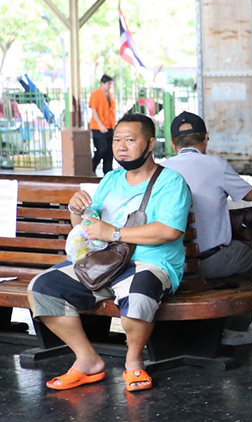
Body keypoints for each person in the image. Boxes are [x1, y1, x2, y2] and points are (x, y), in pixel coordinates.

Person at [27, 113, 191, 393]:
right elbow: (87, 225)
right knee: (42, 288)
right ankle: (87, 359)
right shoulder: (111, 180)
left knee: (138, 296)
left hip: (149, 262)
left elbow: (168, 231)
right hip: (104, 262)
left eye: (130, 140)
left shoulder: (171, 182)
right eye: (116, 140)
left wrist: (113, 233)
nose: (121, 147)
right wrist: (76, 211)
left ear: (150, 144)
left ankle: (134, 361)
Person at [162, 111, 252, 345]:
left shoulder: (161, 169)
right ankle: (236, 327)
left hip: (171, 262)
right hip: (207, 263)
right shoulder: (216, 165)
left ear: (172, 143)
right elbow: (250, 195)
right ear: (206, 139)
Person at [89, 75, 116, 175]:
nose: (109, 86)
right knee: (102, 149)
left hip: (110, 126)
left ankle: (108, 172)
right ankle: (92, 166)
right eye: (108, 84)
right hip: (98, 127)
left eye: (110, 84)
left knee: (109, 151)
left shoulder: (110, 95)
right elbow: (94, 110)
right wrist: (100, 125)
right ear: (102, 84)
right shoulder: (95, 94)